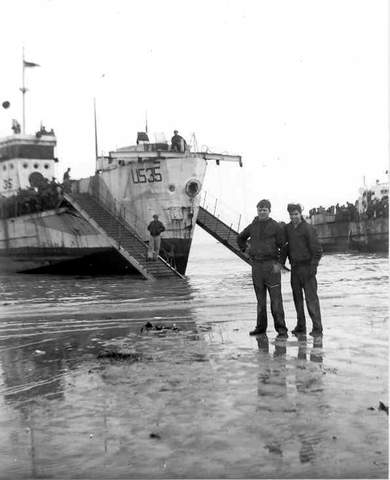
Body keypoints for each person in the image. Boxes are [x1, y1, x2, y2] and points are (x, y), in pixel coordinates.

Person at [237, 199, 288, 338]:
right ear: (257, 210)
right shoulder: (252, 226)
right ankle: (260, 328)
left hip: (272, 266)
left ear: (269, 211)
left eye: (264, 210)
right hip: (257, 267)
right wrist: (245, 250)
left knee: (276, 300)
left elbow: (284, 246)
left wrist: (280, 264)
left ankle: (281, 329)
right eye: (259, 209)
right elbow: (240, 238)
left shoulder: (276, 226)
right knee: (260, 301)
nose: (262, 212)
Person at [281, 203, 323, 336]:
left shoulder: (308, 228)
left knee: (311, 300)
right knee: (297, 299)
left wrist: (313, 267)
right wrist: (281, 264)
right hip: (295, 269)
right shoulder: (287, 229)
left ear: (300, 214)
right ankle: (301, 326)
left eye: (296, 214)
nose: (294, 217)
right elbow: (285, 248)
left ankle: (317, 328)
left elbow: (317, 251)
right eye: (291, 215)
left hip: (307, 268)